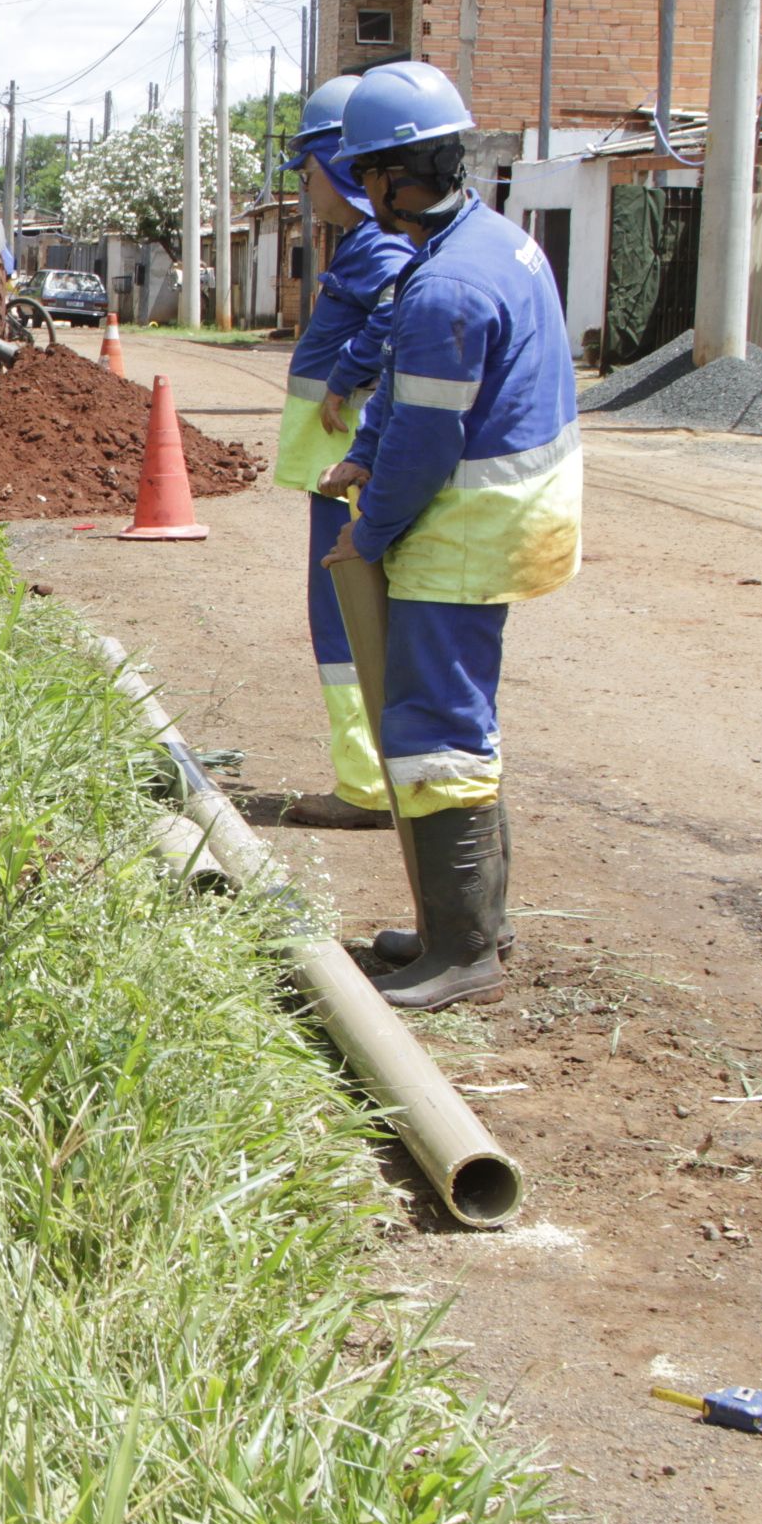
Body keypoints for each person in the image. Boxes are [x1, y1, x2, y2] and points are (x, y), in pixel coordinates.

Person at [316, 60, 581, 1012]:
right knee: (457, 716)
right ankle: (465, 925)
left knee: (435, 725)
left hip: (470, 526)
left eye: (363, 175)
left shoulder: (446, 286)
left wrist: (370, 532)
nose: (359, 191)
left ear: (390, 176)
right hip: (505, 510)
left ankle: (464, 951)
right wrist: (364, 454)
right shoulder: (488, 245)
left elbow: (432, 435)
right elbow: (410, 389)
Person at [273, 74, 411, 831]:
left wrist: (351, 368)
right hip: (341, 470)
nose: (302, 185)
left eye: (306, 168)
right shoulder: (371, 240)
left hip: (347, 472)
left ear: (341, 164)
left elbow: (398, 311)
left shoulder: (381, 244)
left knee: (344, 624)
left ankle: (365, 785)